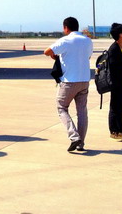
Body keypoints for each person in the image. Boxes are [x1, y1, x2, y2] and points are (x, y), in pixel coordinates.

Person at [44, 17, 93, 152]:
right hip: (84, 80)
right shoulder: (88, 41)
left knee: (62, 107)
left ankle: (74, 136)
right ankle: (81, 143)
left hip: (69, 81)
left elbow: (47, 51)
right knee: (82, 112)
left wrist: (56, 56)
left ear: (66, 28)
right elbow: (88, 56)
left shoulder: (65, 40)